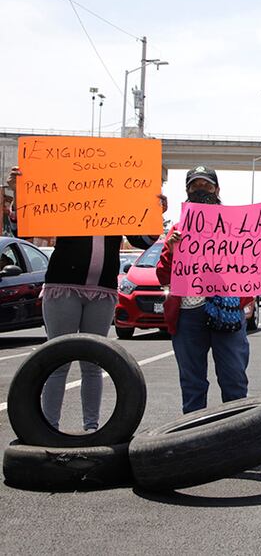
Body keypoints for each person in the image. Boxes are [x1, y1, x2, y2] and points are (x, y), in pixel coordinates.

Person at [6, 166, 164, 432]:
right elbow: (24, 227)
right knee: (59, 360)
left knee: (94, 361)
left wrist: (155, 210)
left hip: (102, 291)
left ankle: (92, 428)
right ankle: (49, 429)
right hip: (63, 287)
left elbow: (144, 240)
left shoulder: (119, 208)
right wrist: (19, 193)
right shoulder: (68, 202)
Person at [156, 166, 261, 413]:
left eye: (207, 185)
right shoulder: (177, 230)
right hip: (188, 314)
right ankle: (195, 440)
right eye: (195, 186)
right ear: (187, 191)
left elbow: (252, 262)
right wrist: (173, 252)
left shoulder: (237, 226)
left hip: (227, 311)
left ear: (217, 190)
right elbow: (162, 275)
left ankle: (236, 435)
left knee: (234, 381)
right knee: (192, 384)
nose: (201, 190)